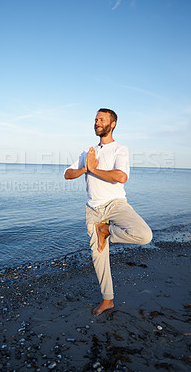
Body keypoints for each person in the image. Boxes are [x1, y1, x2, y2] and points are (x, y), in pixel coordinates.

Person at [64, 108, 152, 316]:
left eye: (102, 120)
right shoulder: (88, 152)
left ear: (112, 125)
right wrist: (85, 168)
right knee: (99, 257)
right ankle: (107, 300)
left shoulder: (120, 149)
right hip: (93, 209)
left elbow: (121, 176)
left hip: (116, 204)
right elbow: (68, 174)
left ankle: (107, 231)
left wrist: (94, 170)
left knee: (144, 235)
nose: (97, 122)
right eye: (95, 119)